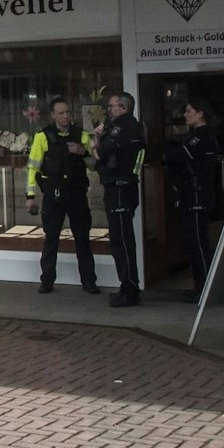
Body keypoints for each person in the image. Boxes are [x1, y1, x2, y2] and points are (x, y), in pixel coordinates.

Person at [25, 98, 98, 295]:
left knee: (82, 238)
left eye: (68, 112)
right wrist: (30, 195)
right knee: (51, 238)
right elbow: (33, 167)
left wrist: (83, 152)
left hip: (76, 193)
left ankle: (89, 281)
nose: (66, 116)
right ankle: (47, 280)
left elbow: (95, 163)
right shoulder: (42, 137)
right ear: (53, 115)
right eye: (61, 113)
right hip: (53, 193)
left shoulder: (81, 135)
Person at [165, 96, 222, 303]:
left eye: (189, 111)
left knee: (199, 242)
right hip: (190, 194)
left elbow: (180, 155)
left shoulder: (203, 136)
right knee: (191, 241)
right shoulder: (194, 135)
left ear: (200, 114)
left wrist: (170, 149)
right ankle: (199, 284)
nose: (185, 114)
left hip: (199, 194)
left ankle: (206, 287)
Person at [92, 91, 146, 307]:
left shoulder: (121, 128)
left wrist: (97, 140)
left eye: (112, 105)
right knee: (122, 240)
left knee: (121, 241)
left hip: (119, 189)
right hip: (126, 188)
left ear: (123, 108)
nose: (109, 108)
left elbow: (99, 153)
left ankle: (130, 289)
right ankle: (128, 286)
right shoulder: (135, 126)